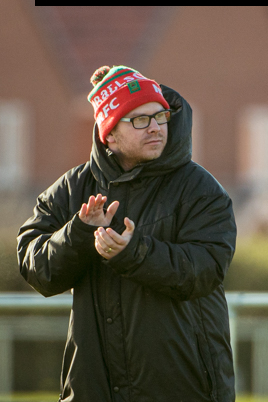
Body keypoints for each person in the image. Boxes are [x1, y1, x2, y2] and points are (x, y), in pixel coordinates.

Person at [17, 66, 237, 402]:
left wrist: (133, 253)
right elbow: (36, 268)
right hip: (93, 390)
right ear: (109, 134)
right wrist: (79, 232)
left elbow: (205, 270)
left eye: (160, 116)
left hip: (184, 388)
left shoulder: (200, 189)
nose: (155, 127)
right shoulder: (72, 188)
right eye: (139, 120)